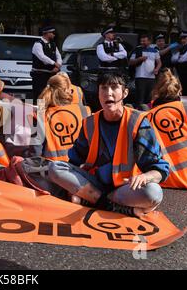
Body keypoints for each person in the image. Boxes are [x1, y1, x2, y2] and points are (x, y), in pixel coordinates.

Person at [47, 73, 169, 217]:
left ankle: (92, 201)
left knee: (153, 192)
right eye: (103, 88)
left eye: (114, 87)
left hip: (124, 188)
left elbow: (160, 169)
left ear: (125, 93)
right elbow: (74, 162)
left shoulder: (138, 122)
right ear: (98, 93)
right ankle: (112, 206)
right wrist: (71, 183)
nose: (108, 93)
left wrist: (145, 177)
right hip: (95, 184)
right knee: (55, 167)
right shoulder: (89, 123)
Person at [37, 73, 91, 162]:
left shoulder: (42, 113)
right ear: (66, 90)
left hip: (51, 168)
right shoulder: (85, 111)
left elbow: (36, 149)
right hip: (79, 168)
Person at [30, 26, 62, 104]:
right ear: (47, 33)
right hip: (40, 75)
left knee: (52, 95)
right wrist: (54, 63)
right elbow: (42, 57)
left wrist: (58, 66)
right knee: (40, 95)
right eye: (53, 33)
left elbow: (59, 56)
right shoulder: (38, 44)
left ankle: (48, 114)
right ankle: (39, 115)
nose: (54, 35)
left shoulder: (53, 44)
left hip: (51, 74)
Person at [129, 34, 162, 109]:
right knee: (140, 97)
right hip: (140, 77)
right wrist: (139, 59)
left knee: (150, 97)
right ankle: (139, 111)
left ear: (149, 41)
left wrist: (156, 69)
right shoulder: (137, 49)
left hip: (151, 78)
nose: (142, 42)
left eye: (144, 41)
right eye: (141, 41)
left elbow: (159, 62)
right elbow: (130, 62)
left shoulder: (155, 51)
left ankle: (149, 111)